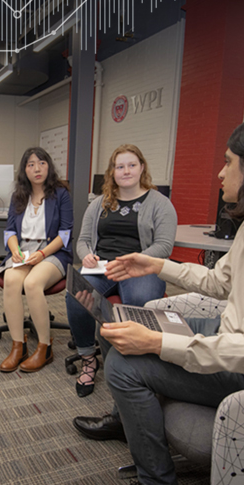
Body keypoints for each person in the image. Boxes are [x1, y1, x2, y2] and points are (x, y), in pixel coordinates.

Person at [73, 115, 244, 485]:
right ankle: (122, 417)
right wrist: (157, 264)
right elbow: (219, 282)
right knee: (118, 321)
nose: (219, 172)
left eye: (228, 162)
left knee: (123, 364)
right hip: (228, 331)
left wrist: (157, 344)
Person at [66, 144, 177, 397]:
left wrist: (134, 260)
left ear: (142, 168)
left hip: (141, 268)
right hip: (103, 266)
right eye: (120, 166)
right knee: (76, 294)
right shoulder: (100, 203)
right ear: (112, 172)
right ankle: (88, 357)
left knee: (138, 302)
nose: (126, 171)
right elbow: (82, 240)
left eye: (131, 165)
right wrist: (87, 257)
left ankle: (137, 363)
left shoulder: (160, 203)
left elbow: (164, 246)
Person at [0, 147, 73, 373]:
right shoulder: (18, 196)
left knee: (31, 284)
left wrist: (42, 254)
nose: (36, 168)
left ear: (48, 166)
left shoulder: (61, 193)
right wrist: (15, 250)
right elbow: (9, 231)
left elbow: (66, 233)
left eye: (41, 162)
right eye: (30, 164)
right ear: (24, 170)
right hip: (24, 250)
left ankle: (44, 347)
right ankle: (18, 346)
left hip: (52, 251)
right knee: (11, 279)